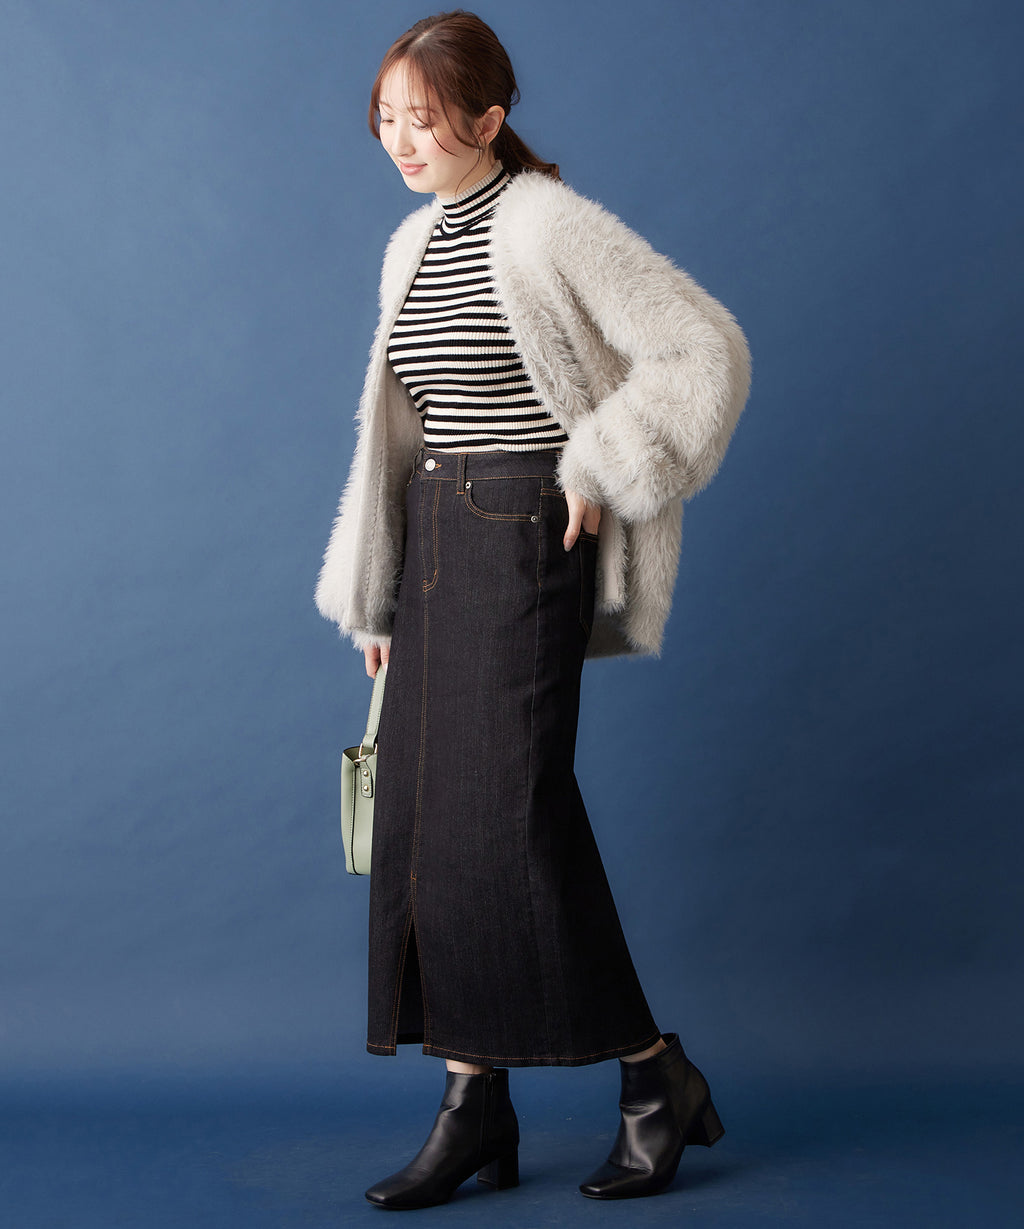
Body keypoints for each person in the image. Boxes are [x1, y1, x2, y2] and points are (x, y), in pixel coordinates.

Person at [315, 10, 750, 1209]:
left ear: (490, 118)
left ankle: (655, 1074)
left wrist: (600, 462)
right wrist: (377, 595)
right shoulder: (411, 243)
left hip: (522, 532)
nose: (401, 140)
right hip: (434, 538)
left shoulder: (546, 221)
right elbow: (395, 434)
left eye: (424, 118)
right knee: (430, 828)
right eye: (386, 119)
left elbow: (701, 349)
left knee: (510, 822)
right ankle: (475, 1105)